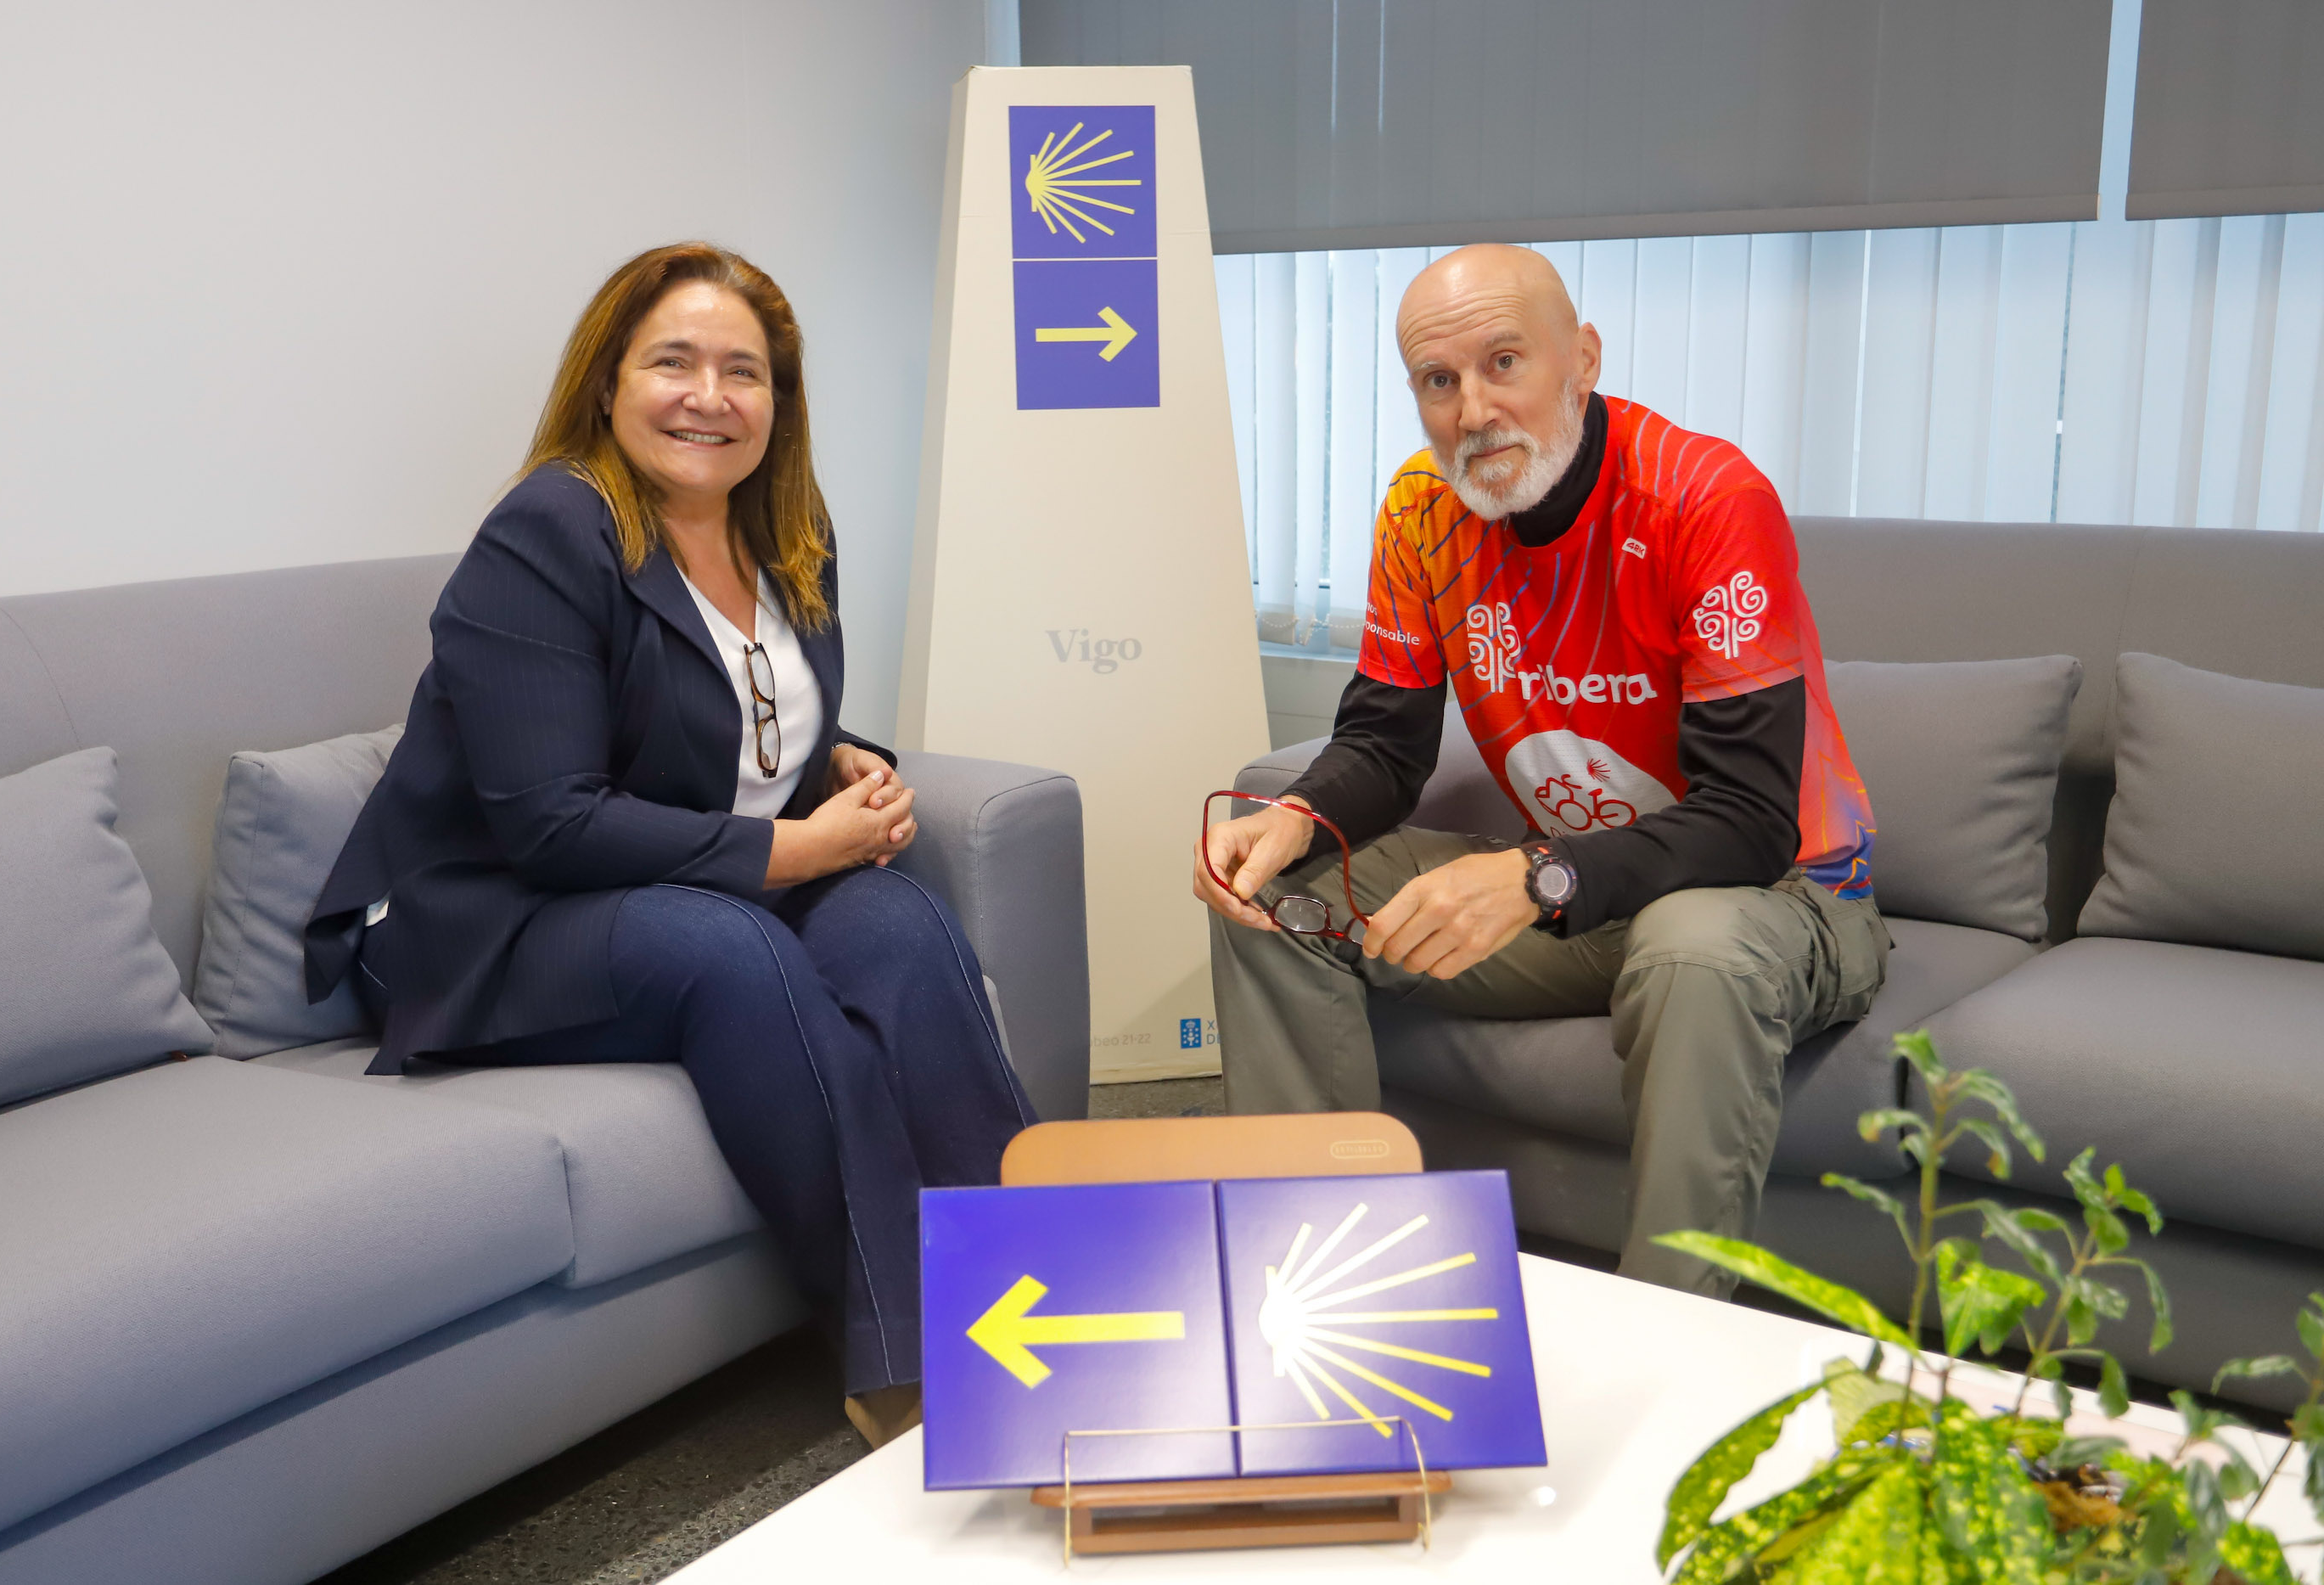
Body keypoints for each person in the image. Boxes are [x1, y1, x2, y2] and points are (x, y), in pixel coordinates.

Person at [306, 242, 1033, 1446]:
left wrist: (836, 755)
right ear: (609, 381)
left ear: (778, 402)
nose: (710, 396)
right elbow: (549, 818)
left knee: (900, 922)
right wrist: (802, 850)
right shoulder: (548, 529)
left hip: (659, 877)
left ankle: (1051, 1283)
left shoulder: (787, 528)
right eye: (673, 362)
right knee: (735, 951)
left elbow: (718, 704)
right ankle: (910, 1363)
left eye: (744, 371)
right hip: (483, 914)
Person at [1194, 244, 1888, 1298]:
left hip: (1784, 896)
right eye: (1439, 380)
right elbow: (1384, 745)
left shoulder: (1703, 497)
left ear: (1583, 360)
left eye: (1504, 362)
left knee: (1691, 947)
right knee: (1274, 892)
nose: (1473, 410)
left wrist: (1536, 877)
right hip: (1587, 898)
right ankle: (1327, 1290)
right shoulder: (1422, 509)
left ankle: (1665, 1340)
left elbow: (1751, 820)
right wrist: (1293, 816)